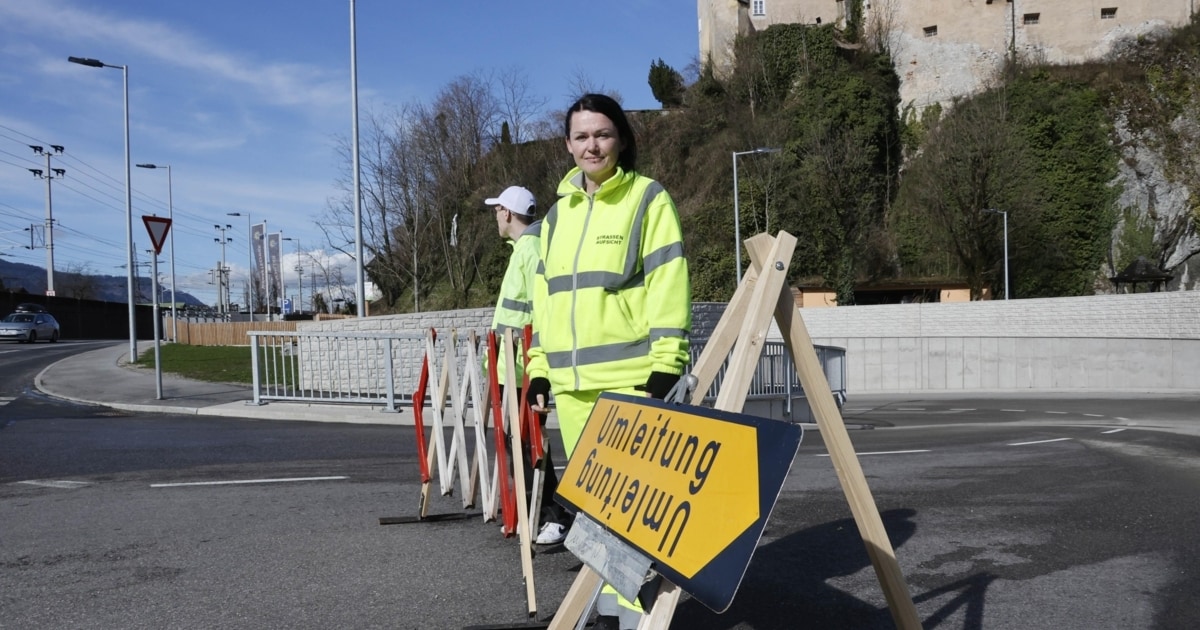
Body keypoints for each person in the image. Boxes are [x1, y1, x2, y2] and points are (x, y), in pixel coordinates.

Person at [525, 94, 692, 629]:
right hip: (573, 391)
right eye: (581, 136)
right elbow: (543, 301)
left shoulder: (647, 199)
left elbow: (668, 281)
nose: (591, 145)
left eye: (601, 134)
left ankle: (637, 619)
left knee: (633, 515)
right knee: (595, 517)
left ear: (620, 139)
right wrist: (538, 368)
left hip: (628, 382)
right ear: (568, 144)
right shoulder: (554, 219)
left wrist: (669, 358)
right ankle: (609, 613)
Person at [483, 185, 572, 545]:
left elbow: (539, 312)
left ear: (507, 212)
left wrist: (536, 366)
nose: (495, 216)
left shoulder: (531, 249)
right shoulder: (523, 248)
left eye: (497, 209)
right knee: (518, 443)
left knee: (529, 444)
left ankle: (553, 514)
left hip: (522, 368)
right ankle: (539, 512)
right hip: (512, 366)